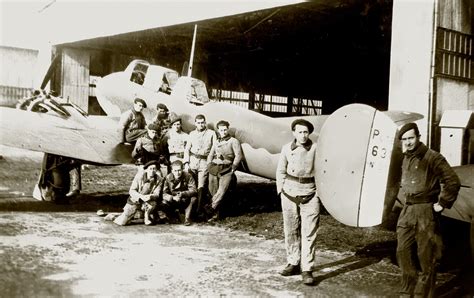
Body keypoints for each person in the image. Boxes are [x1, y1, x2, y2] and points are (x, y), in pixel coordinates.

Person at [396, 122, 460, 297]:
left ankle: (423, 293)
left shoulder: (433, 157)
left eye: (411, 138)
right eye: (404, 139)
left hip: (425, 211)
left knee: (426, 255)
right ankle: (407, 289)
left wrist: (442, 203)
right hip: (407, 210)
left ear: (418, 137)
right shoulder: (406, 157)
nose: (408, 142)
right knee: (403, 251)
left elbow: (452, 180)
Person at [276, 119, 319, 286]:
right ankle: (293, 263)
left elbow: (323, 171)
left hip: (310, 193)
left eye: (306, 132)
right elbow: (280, 170)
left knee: (309, 233)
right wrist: (280, 190)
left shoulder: (316, 149)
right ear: (294, 133)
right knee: (290, 230)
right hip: (288, 193)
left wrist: (318, 194)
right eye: (300, 132)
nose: (303, 135)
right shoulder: (286, 148)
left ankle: (307, 269)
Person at [205, 120, 243, 221]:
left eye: (225, 129)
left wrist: (233, 168)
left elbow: (238, 155)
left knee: (222, 191)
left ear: (228, 129)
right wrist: (209, 164)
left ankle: (211, 208)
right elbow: (210, 154)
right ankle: (215, 215)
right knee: (212, 190)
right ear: (218, 130)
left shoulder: (233, 141)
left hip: (227, 168)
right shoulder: (216, 142)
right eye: (221, 130)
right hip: (214, 167)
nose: (224, 132)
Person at [184, 114, 217, 218]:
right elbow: (187, 149)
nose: (200, 124)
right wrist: (186, 163)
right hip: (193, 160)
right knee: (191, 185)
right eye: (198, 123)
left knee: (201, 186)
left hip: (204, 161)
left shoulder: (211, 134)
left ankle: (199, 211)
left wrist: (210, 162)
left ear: (205, 123)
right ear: (195, 123)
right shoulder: (192, 134)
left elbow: (214, 148)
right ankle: (188, 210)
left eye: (202, 122)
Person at [113, 160, 164, 226]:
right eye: (150, 169)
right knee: (122, 222)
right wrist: (141, 196)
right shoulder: (139, 177)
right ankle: (113, 216)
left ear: (156, 170)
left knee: (153, 204)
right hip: (136, 200)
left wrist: (150, 196)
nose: (152, 171)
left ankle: (146, 216)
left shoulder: (159, 179)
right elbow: (132, 191)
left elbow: (157, 194)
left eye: (154, 169)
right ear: (146, 170)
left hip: (148, 201)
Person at [162, 160, 197, 226]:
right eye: (175, 171)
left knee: (193, 198)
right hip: (174, 200)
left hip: (185, 199)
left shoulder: (188, 176)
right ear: (172, 170)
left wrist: (182, 194)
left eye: (179, 170)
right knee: (164, 202)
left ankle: (187, 218)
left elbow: (194, 190)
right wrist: (172, 198)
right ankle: (172, 217)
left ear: (182, 169)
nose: (177, 173)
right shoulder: (168, 177)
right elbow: (164, 194)